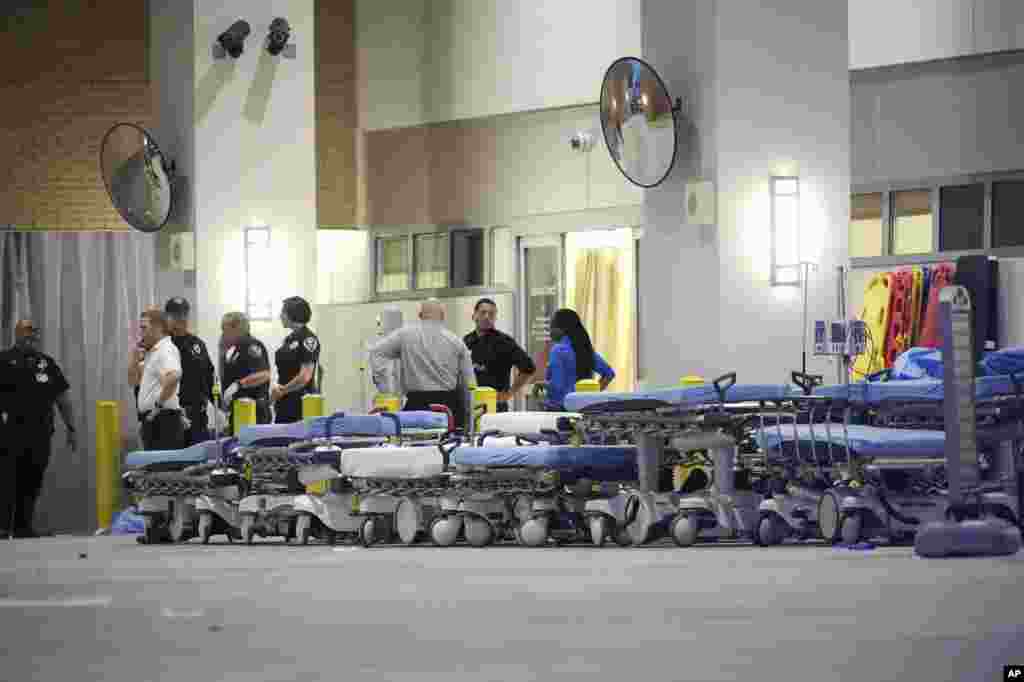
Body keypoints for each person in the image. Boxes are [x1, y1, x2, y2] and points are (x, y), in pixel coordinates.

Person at [0, 320, 77, 538]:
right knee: (6, 480)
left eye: (34, 334)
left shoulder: (47, 363)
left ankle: (23, 526)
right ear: (16, 335)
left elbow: (63, 398)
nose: (31, 338)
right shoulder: (4, 360)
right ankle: (3, 527)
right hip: (9, 433)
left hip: (40, 433)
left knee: (32, 480)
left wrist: (71, 428)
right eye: (26, 333)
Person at [369, 299, 475, 429]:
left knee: (412, 445)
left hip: (416, 406)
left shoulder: (405, 335)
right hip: (448, 408)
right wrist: (469, 417)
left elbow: (376, 352)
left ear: (420, 316)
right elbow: (468, 384)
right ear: (443, 316)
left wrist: (386, 389)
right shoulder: (456, 341)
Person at [463, 298, 536, 412]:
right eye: (483, 313)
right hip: (471, 405)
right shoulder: (466, 341)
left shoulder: (504, 342)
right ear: (474, 316)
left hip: (495, 406)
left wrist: (510, 393)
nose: (487, 317)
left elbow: (528, 368)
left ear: (495, 318)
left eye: (491, 314)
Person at [129, 307, 185, 451]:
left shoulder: (165, 350)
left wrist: (157, 407)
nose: (141, 333)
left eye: (144, 328)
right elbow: (133, 381)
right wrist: (134, 359)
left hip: (162, 420)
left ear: (158, 328)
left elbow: (174, 376)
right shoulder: (153, 352)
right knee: (154, 468)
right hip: (155, 419)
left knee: (162, 470)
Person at [164, 297, 215, 446]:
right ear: (167, 317)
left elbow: (209, 376)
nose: (180, 319)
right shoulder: (161, 344)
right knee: (173, 464)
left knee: (199, 464)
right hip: (170, 416)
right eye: (174, 315)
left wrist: (218, 405)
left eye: (183, 314)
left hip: (197, 416)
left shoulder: (197, 344)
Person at [543, 308, 615, 412]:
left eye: (552, 327)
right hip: (584, 409)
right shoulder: (585, 350)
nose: (550, 331)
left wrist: (543, 386)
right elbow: (609, 374)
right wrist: (592, 394)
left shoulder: (558, 350)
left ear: (563, 329)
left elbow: (557, 387)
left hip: (560, 410)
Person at [271, 296, 321, 424]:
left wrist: (282, 390)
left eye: (283, 312)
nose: (280, 316)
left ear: (292, 314)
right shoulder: (289, 339)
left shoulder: (308, 339)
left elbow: (305, 376)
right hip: (285, 402)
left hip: (300, 403)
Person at [219, 311, 272, 431]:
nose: (223, 333)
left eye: (224, 329)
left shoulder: (252, 346)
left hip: (254, 411)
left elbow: (264, 375)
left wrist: (239, 384)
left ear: (236, 327)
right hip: (239, 410)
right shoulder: (234, 350)